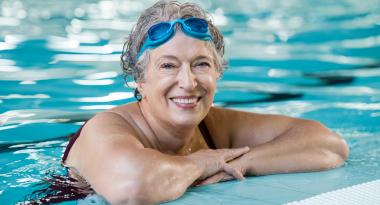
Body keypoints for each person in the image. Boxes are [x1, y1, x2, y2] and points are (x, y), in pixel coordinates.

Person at [61, 1, 349, 204]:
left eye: (200, 64)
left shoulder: (212, 126)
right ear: (139, 80)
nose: (188, 82)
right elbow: (133, 187)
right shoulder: (107, 128)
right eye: (168, 66)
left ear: (217, 72)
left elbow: (329, 145)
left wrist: (242, 162)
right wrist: (200, 163)